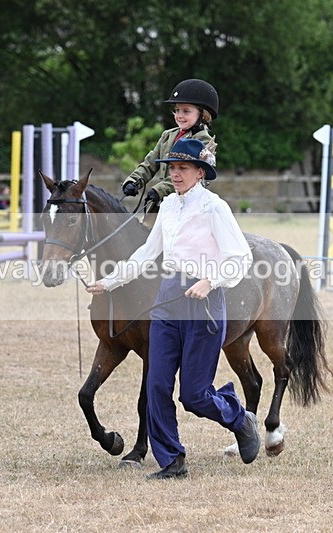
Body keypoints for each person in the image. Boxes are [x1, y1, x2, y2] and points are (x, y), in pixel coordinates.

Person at [86, 138, 259, 480]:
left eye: (182, 168)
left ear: (199, 172)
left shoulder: (214, 208)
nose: (175, 174)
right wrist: (110, 282)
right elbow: (147, 254)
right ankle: (172, 460)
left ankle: (239, 417)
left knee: (194, 396)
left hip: (203, 304)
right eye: (171, 168)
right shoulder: (167, 207)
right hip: (166, 300)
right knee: (156, 385)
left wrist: (210, 280)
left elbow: (241, 257)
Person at [120, 79, 218, 211]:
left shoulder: (203, 140)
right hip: (161, 202)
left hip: (188, 204)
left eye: (186, 111)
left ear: (202, 114)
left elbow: (187, 175)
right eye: (177, 110)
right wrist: (134, 181)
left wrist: (159, 190)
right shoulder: (167, 135)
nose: (179, 116)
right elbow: (150, 162)